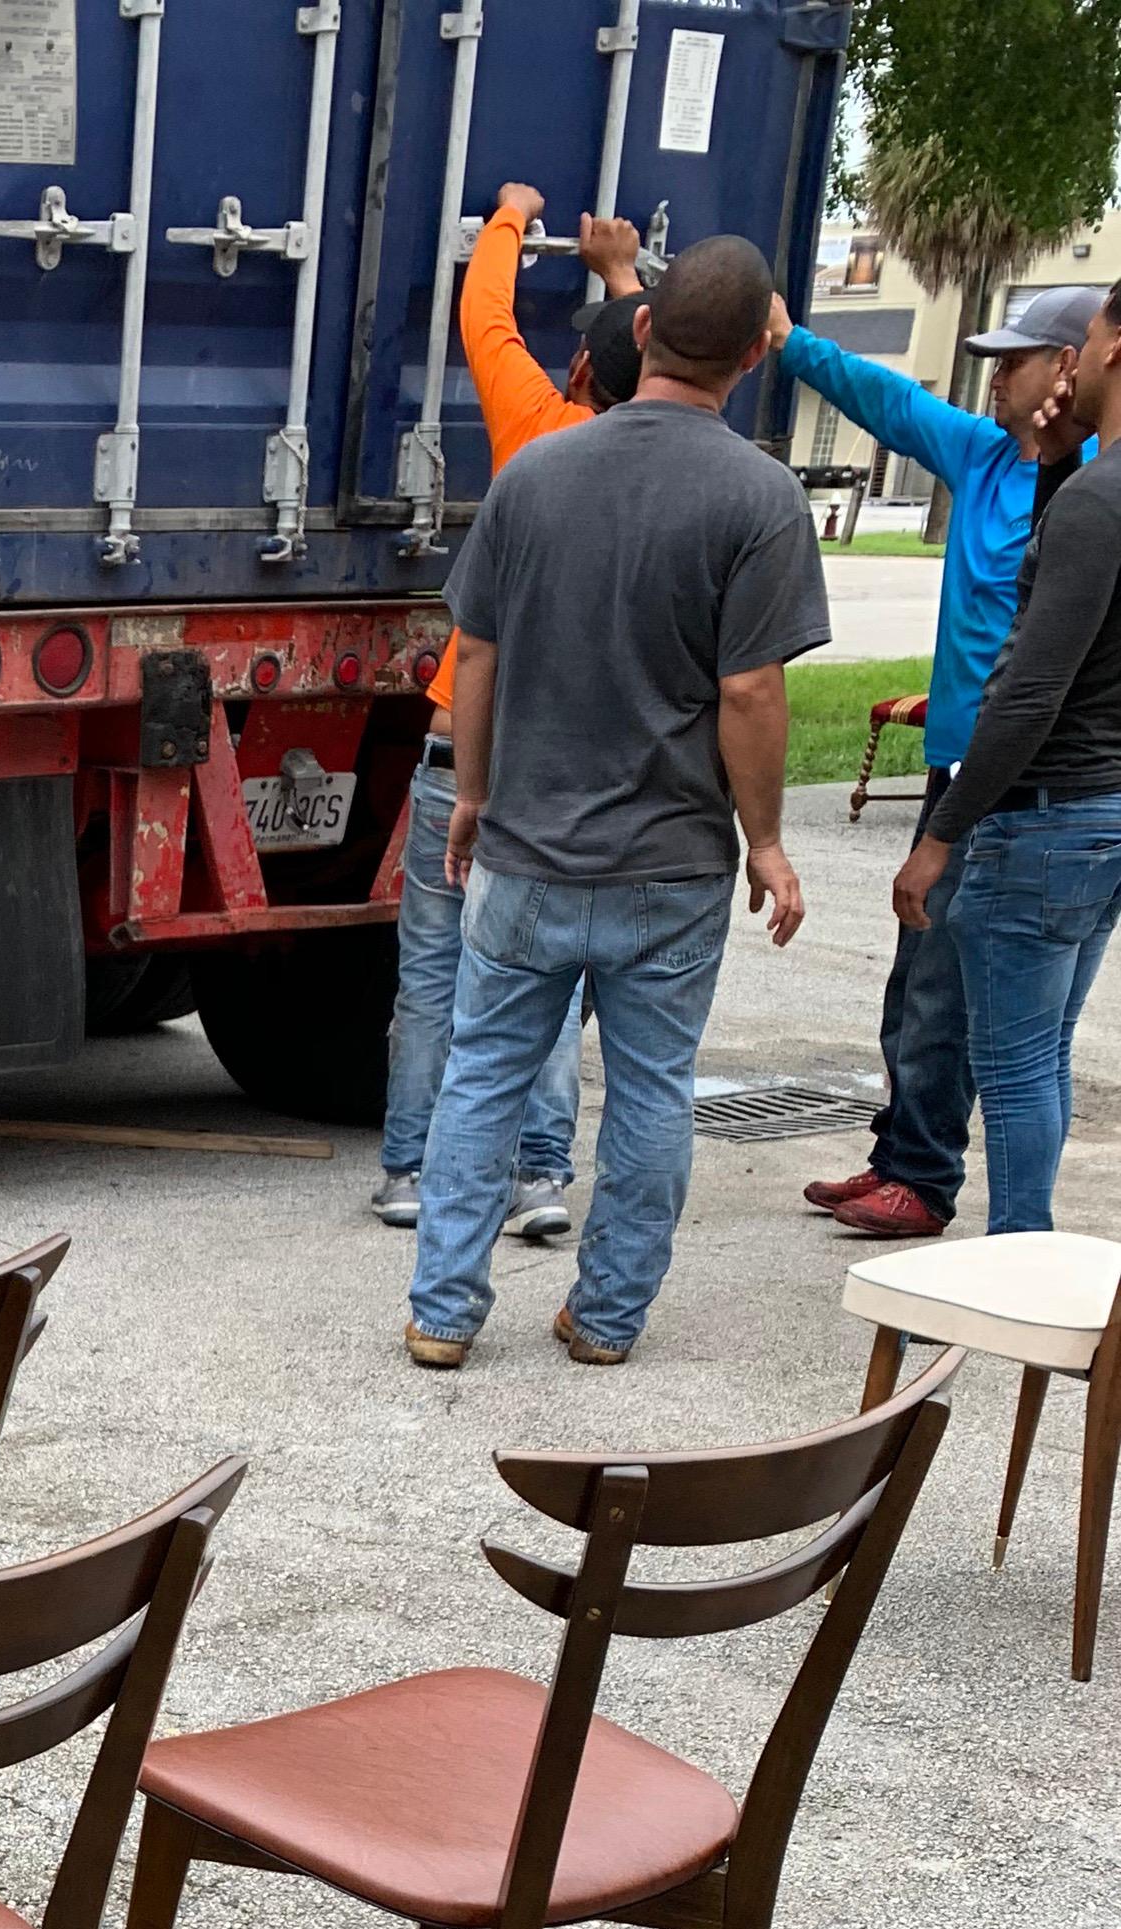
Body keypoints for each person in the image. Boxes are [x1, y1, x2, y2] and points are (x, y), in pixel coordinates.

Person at [400, 237, 828, 1373]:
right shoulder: (762, 497)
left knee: (484, 1071)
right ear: (751, 359)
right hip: (672, 867)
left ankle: (444, 1311)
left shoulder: (536, 474)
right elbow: (749, 689)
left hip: (529, 850)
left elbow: (476, 654)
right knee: (650, 1090)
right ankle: (606, 1317)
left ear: (641, 330)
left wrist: (473, 796)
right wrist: (769, 841)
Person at [774, 280, 1094, 1241]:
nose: (996, 377)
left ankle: (929, 1178)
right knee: (917, 978)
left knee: (962, 996)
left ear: (1069, 369)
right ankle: (903, 1157)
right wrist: (792, 343)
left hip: (1022, 781)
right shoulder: (986, 455)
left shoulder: (1090, 486)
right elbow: (889, 401)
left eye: (1016, 361)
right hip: (959, 767)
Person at [375, 186, 650, 1244]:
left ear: (578, 371)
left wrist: (508, 216)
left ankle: (410, 1165)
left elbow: (483, 317)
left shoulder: (536, 433)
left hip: (467, 749)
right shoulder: (681, 477)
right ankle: (539, 1177)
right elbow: (669, 359)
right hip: (575, 764)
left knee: (435, 973)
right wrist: (625, 277)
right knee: (545, 979)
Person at [895, 281, 1121, 1238]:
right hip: (1103, 810)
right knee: (1042, 1049)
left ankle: (1018, 1256)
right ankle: (1020, 1250)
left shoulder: (1098, 504)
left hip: (1046, 817)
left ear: (1109, 350)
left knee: (1018, 1064)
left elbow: (1031, 688)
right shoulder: (1089, 488)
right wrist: (1062, 460)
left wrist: (941, 834)